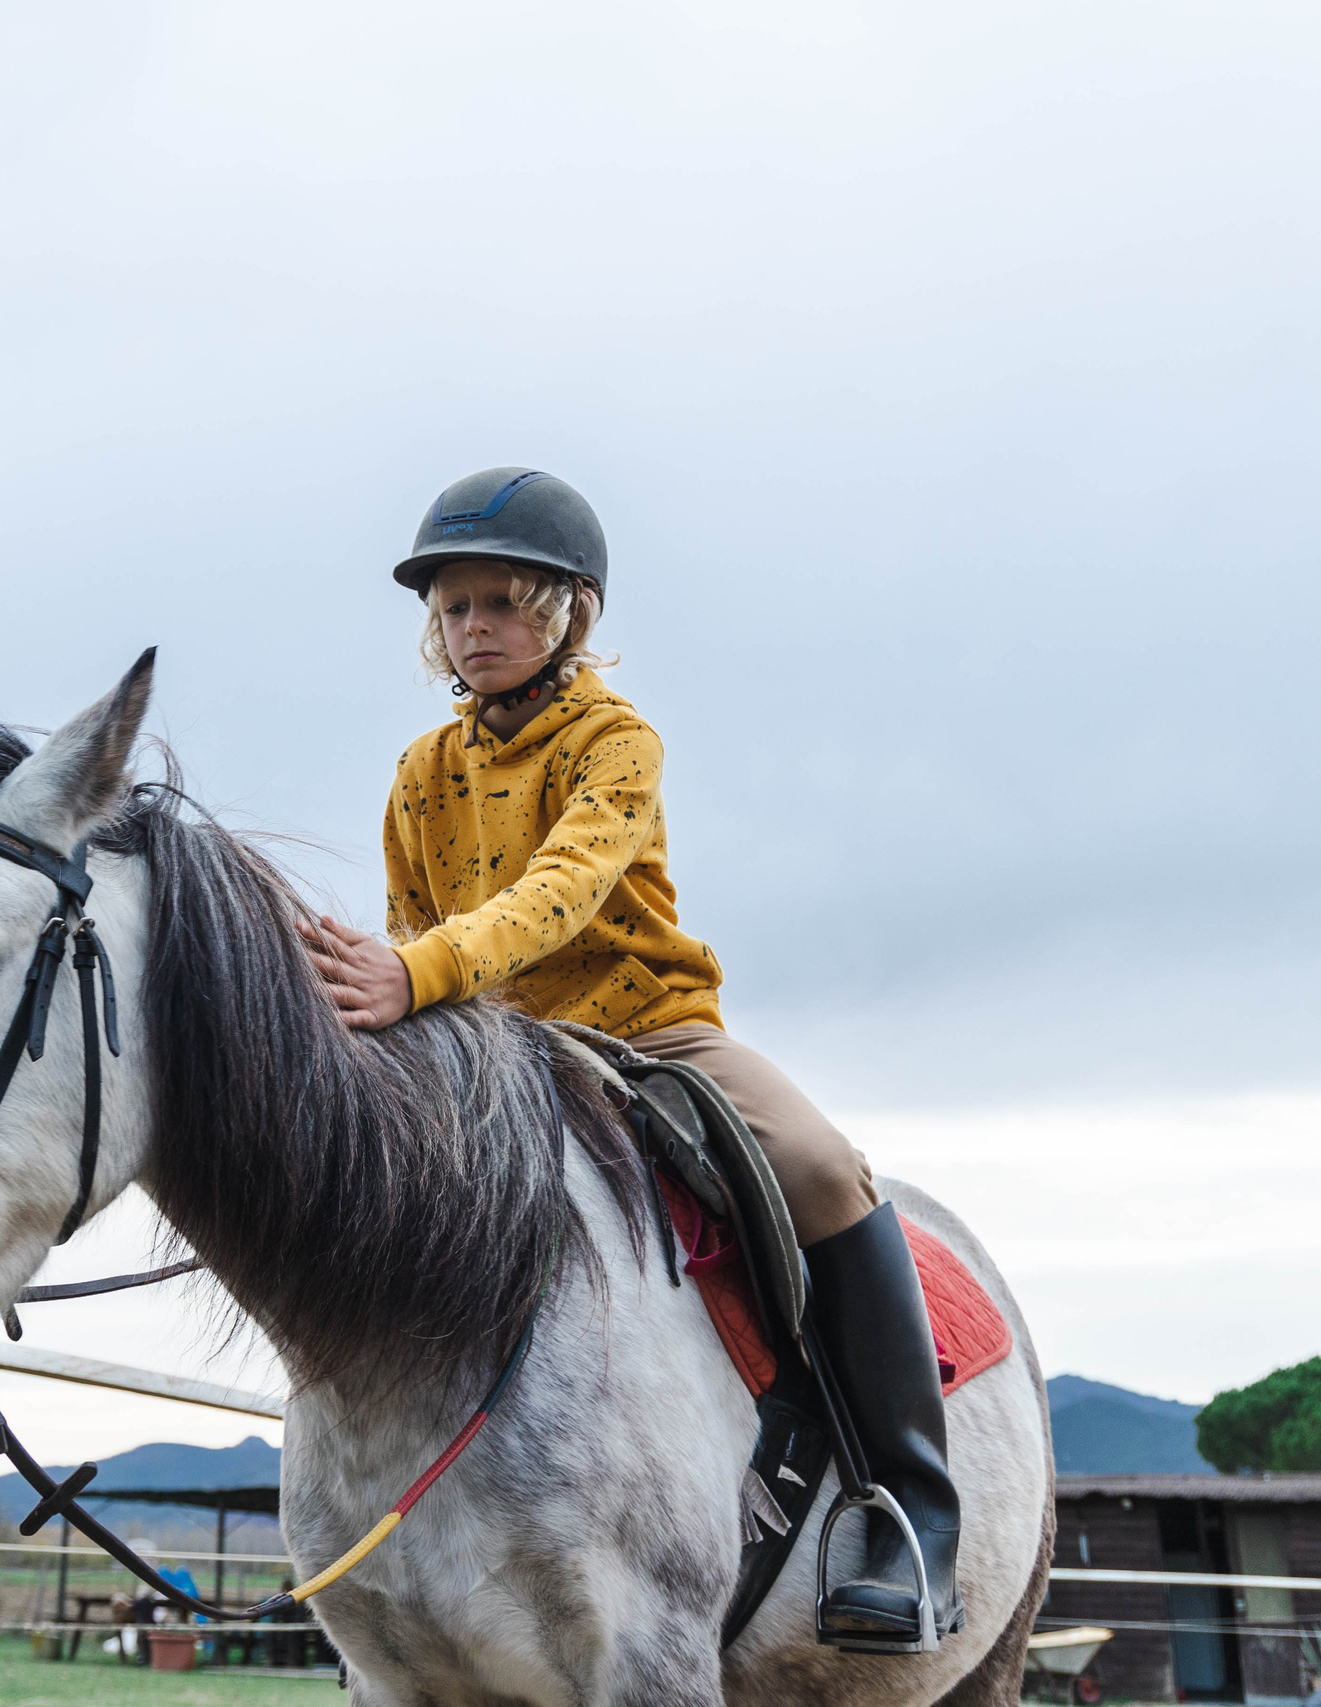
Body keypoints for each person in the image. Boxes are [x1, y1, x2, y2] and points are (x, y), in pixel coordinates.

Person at [300, 467, 961, 1651]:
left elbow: (560, 895)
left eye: (503, 602)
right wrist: (376, 994)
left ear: (570, 614)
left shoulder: (615, 739)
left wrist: (420, 973)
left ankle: (911, 1508)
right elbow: (411, 922)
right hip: (492, 1051)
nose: (475, 629)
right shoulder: (418, 772)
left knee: (819, 1166)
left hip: (648, 1031)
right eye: (454, 608)